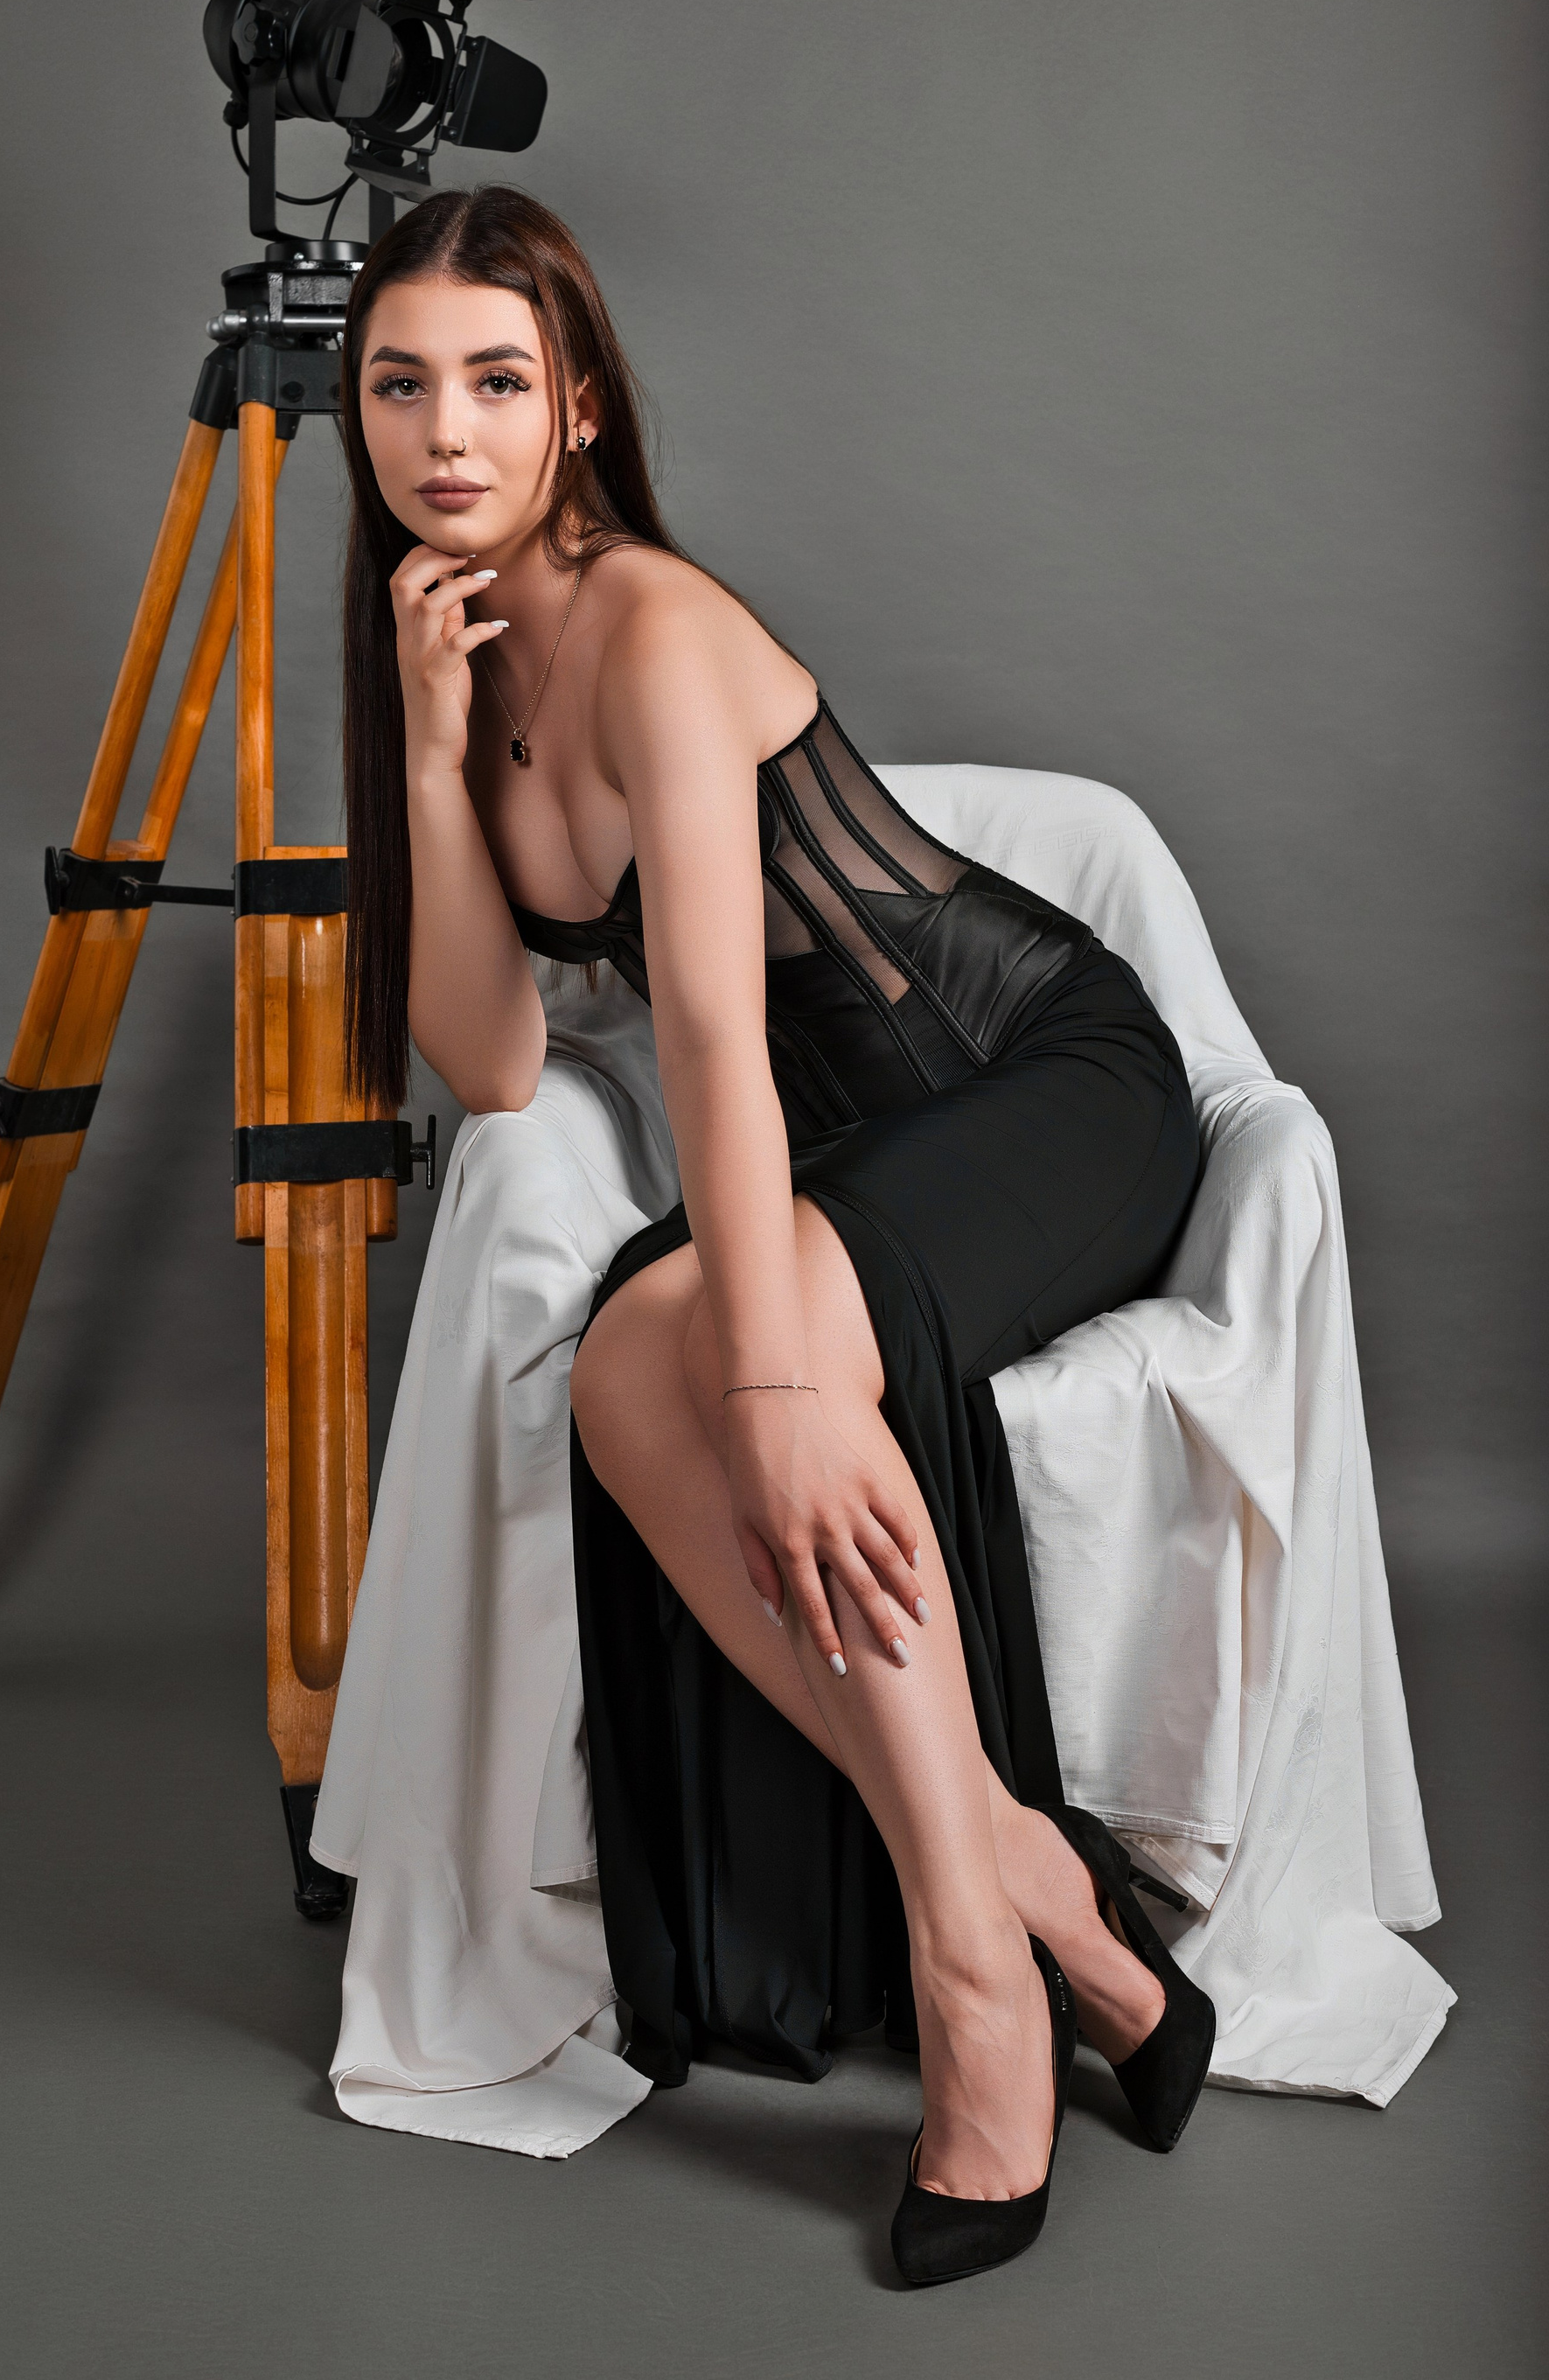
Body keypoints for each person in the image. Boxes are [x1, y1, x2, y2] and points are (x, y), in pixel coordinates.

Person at [340, 185, 1215, 2285]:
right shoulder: (462, 654)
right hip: (863, 1170)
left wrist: (780, 1381)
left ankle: (977, 1978)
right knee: (623, 1363)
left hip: (1047, 1084)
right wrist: (434, 754)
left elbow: (719, 1035)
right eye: (398, 385)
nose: (445, 433)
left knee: (689, 1353)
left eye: (496, 381)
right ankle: (1048, 1899)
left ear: (579, 404)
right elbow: (486, 1056)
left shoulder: (647, 619)